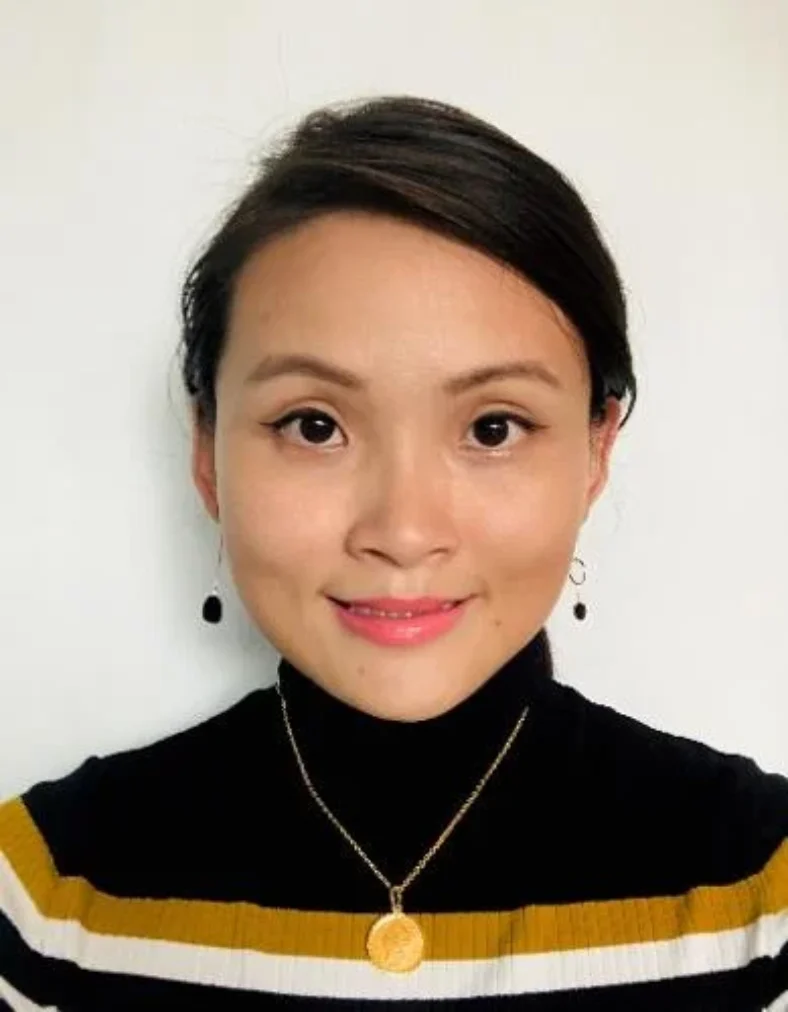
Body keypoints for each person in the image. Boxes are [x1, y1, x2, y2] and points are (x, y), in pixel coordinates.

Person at [1, 94, 786, 1010]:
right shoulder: (50, 902)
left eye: (493, 427)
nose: (404, 531)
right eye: (314, 425)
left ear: (595, 451)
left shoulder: (758, 897)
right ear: (207, 452)